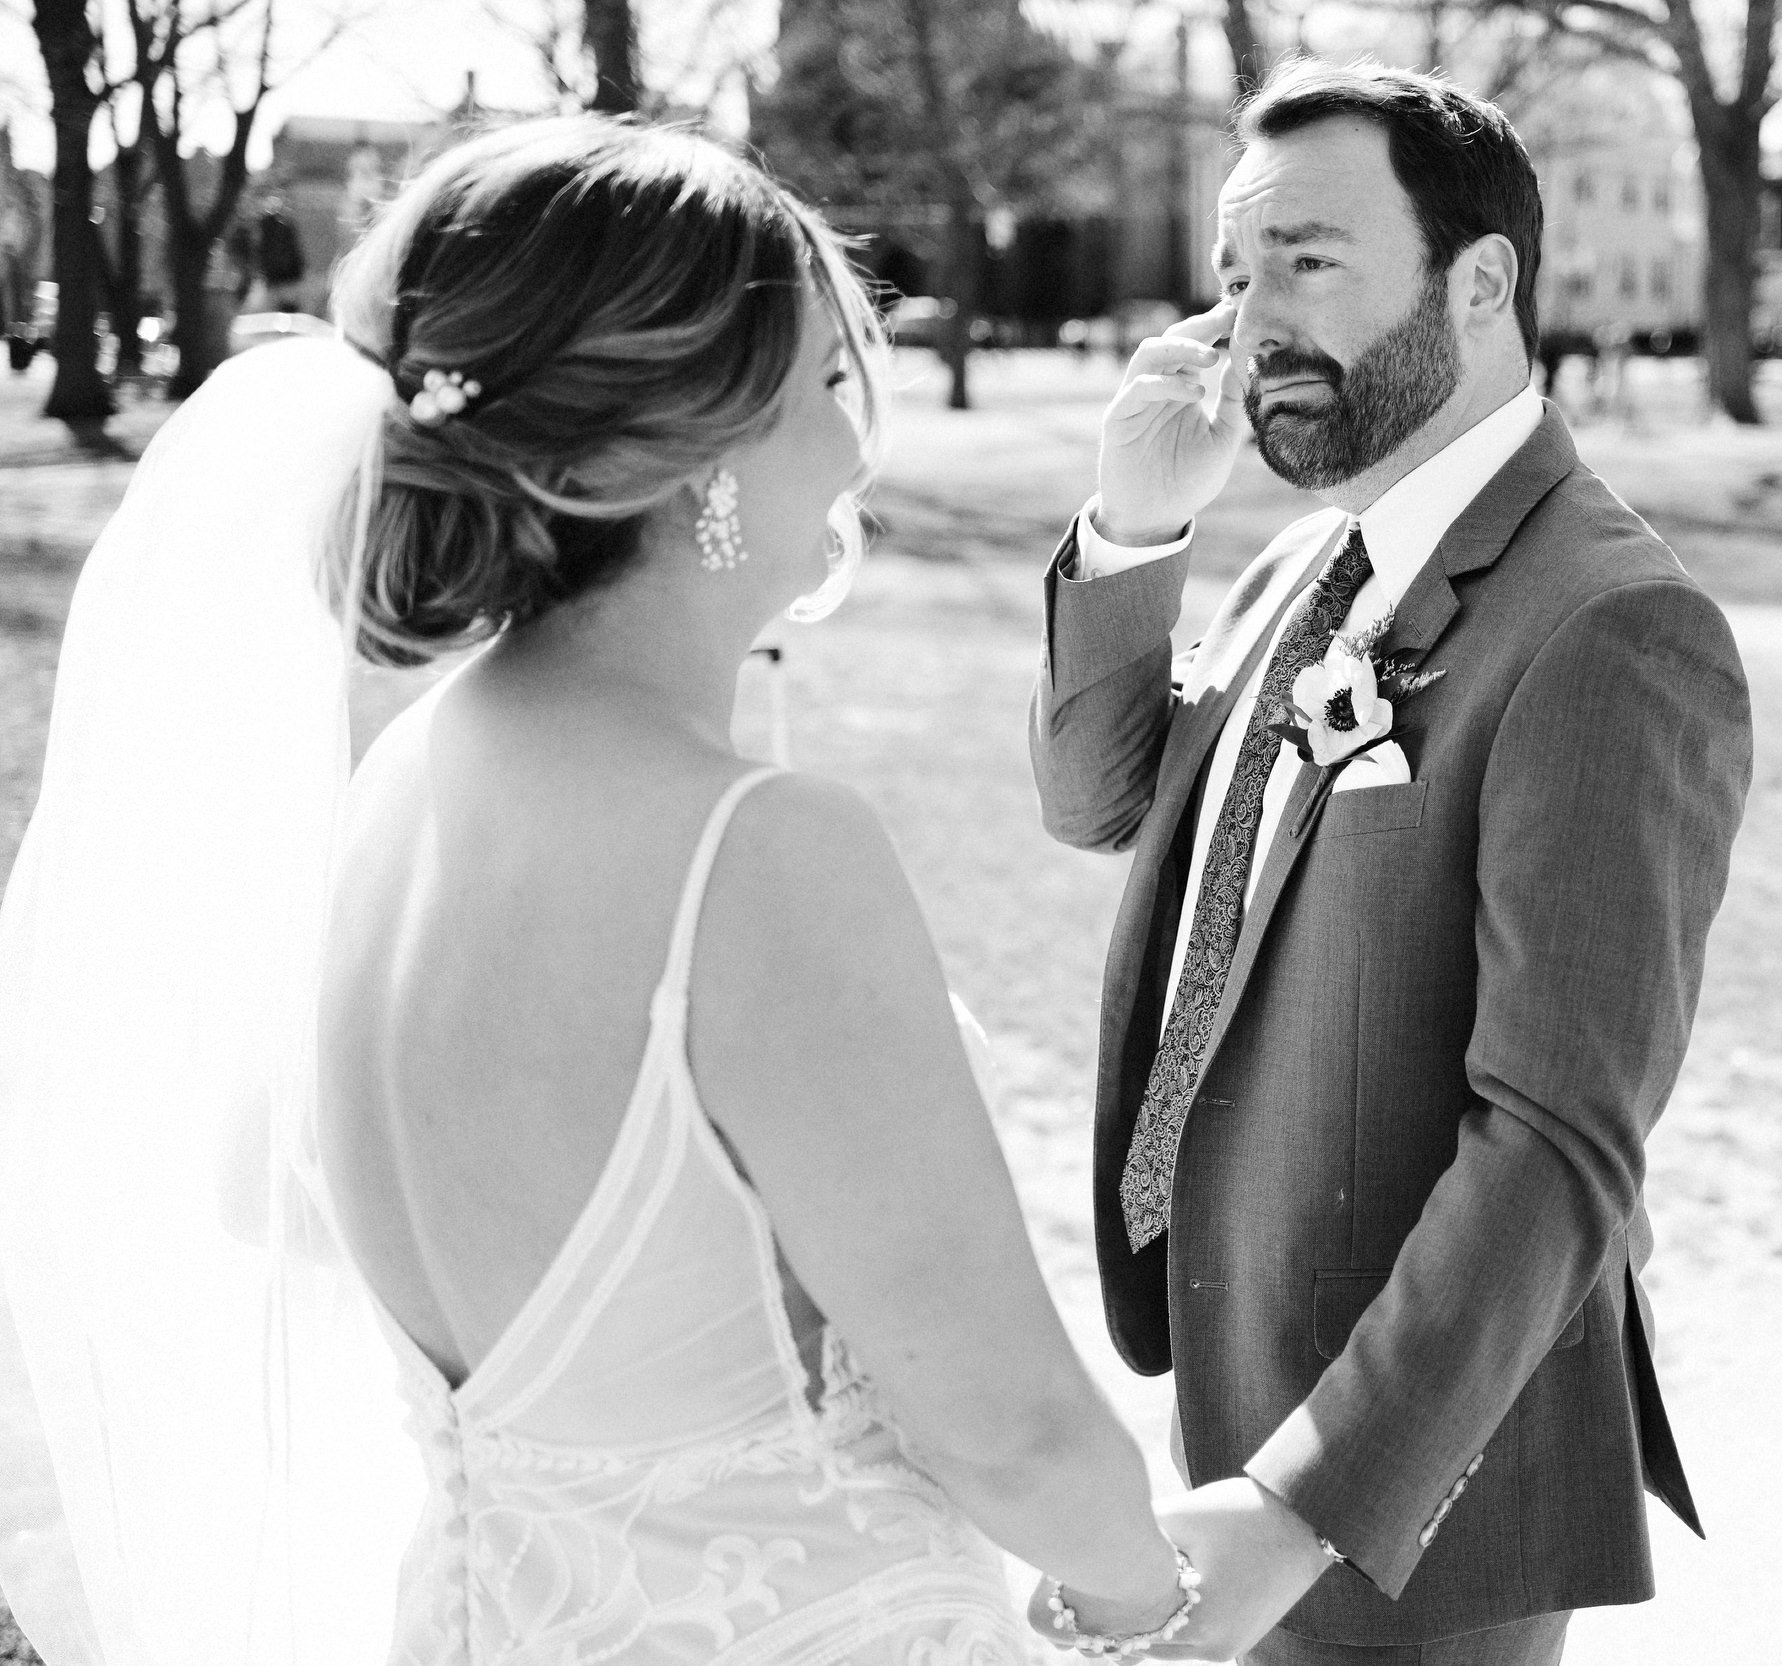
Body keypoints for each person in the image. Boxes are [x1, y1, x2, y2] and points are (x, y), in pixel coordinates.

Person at [0, 118, 1201, 1666]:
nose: (856, 447)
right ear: (692, 456)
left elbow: (262, 1192)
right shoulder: (758, 855)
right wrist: (1151, 1608)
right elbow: (1017, 1429)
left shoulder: (397, 789)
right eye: (826, 389)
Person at [1029, 62, 1754, 1666]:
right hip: (1232, 1392)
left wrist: (1305, 1501)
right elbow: (1101, 800)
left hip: (1414, 1491)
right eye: (1233, 273)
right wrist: (1136, 528)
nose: (1249, 321)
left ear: (1479, 281)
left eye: (1306, 261)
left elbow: (1558, 1145)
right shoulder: (1304, 555)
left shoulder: (1613, 627)